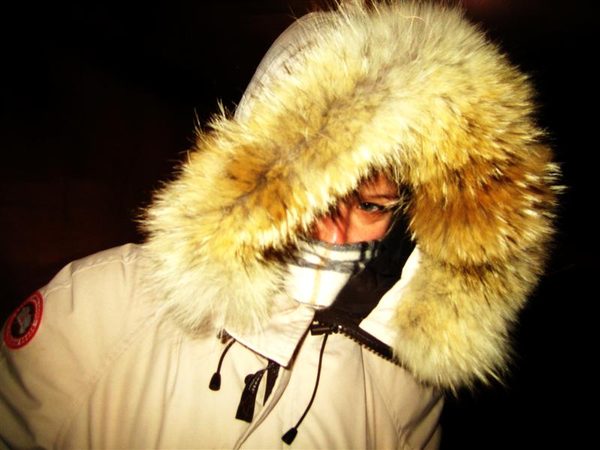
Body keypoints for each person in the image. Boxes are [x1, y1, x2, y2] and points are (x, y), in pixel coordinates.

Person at [0, 1, 560, 449]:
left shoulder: (403, 382)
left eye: (371, 207)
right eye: (313, 197)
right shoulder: (97, 307)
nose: (334, 235)